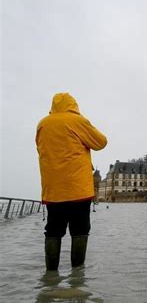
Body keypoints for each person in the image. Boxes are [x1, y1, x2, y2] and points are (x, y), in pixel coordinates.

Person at [36, 93, 107, 271]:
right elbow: (101, 142)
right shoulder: (77, 121)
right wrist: (80, 120)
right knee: (80, 230)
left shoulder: (42, 124)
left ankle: (50, 277)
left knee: (53, 230)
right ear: (73, 105)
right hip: (78, 189)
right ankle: (77, 278)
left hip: (53, 191)